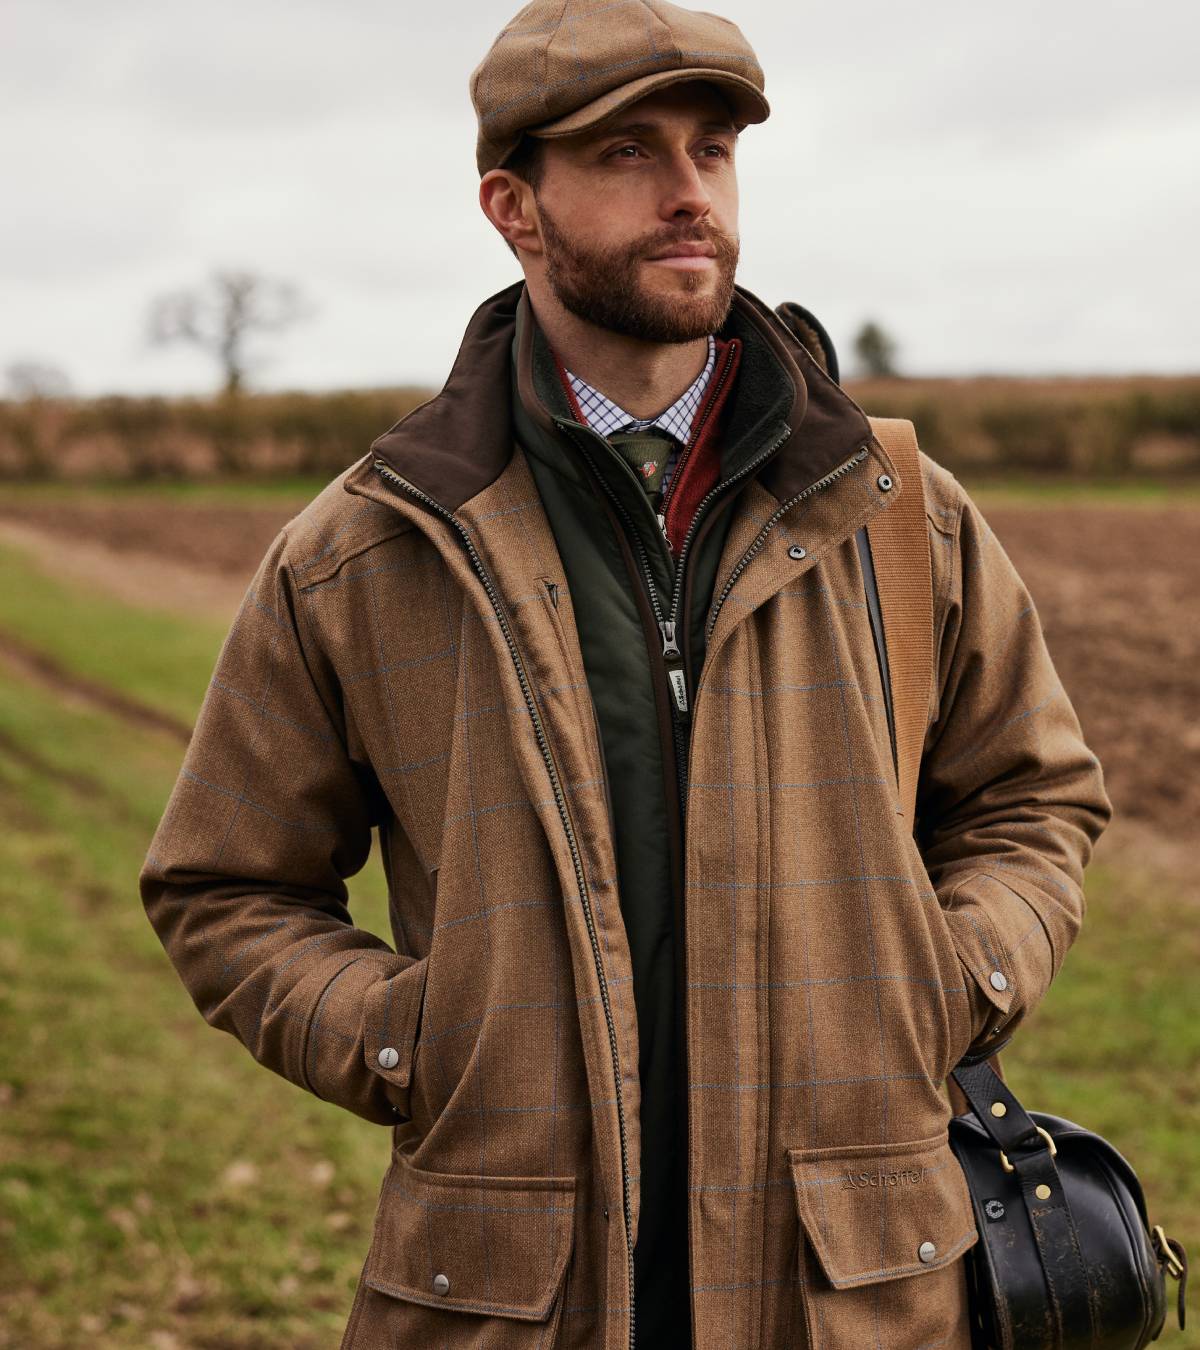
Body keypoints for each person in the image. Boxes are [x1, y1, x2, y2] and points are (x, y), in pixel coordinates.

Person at [139, 2, 1113, 1346]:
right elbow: (223, 883)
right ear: (512, 206)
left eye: (713, 152)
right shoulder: (365, 550)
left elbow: (1033, 799)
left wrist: (946, 978)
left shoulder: (896, 508)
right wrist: (411, 1036)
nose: (687, 195)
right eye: (627, 155)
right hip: (506, 1291)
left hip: (859, 1286)